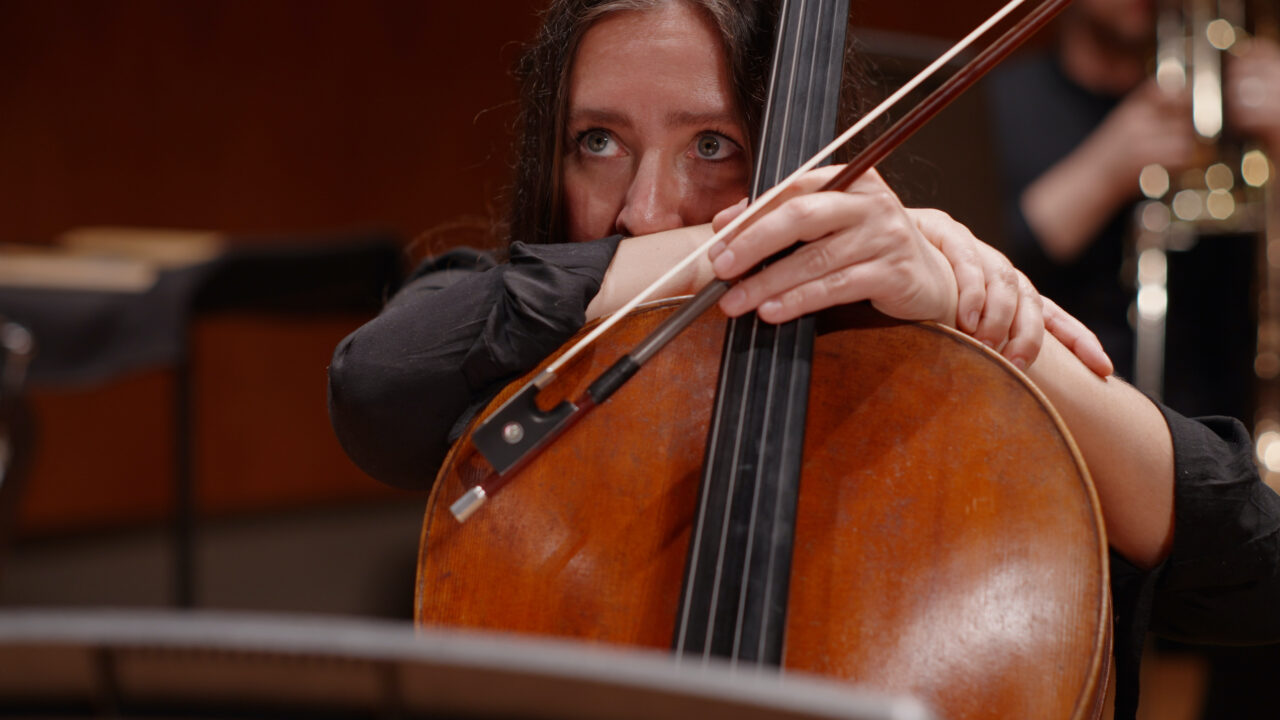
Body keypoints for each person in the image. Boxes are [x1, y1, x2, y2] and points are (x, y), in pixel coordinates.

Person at [326, 1, 1280, 717]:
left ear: (803, 152)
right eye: (599, 141)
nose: (645, 211)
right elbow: (377, 381)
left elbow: (1258, 569)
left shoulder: (932, 390)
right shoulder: (520, 345)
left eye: (712, 144)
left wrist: (987, 330)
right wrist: (718, 251)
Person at [986, 0, 1280, 417]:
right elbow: (978, 274)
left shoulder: (1230, 109)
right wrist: (1106, 170)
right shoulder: (1001, 101)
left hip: (1215, 424)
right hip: (1047, 416)